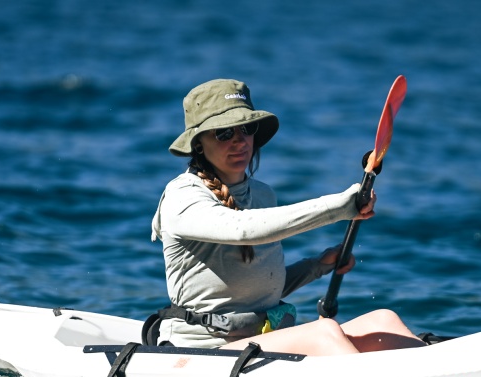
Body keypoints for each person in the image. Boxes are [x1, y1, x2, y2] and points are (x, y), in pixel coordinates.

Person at [150, 78, 425, 356]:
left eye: (246, 128)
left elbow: (259, 291)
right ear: (198, 144)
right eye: (223, 133)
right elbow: (242, 229)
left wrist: (316, 266)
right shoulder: (182, 196)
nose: (239, 140)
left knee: (384, 319)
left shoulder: (262, 195)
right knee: (324, 331)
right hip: (200, 350)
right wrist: (340, 207)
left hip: (261, 340)